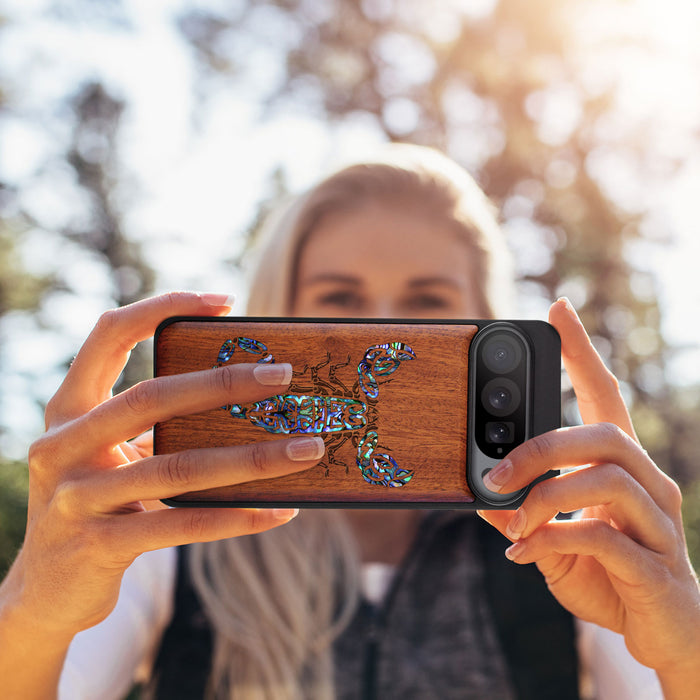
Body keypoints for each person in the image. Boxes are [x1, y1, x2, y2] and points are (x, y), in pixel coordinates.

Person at [0, 145, 698, 700]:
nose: (385, 325)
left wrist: (685, 648)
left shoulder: (568, 544)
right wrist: (34, 607)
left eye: (428, 302)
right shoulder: (170, 535)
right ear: (280, 312)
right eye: (340, 299)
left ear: (487, 323)